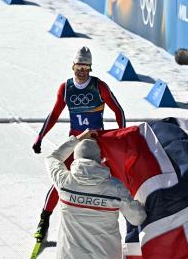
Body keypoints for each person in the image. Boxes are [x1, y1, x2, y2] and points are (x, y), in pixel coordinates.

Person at [45, 130, 146, 259]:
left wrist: (77, 139)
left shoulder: (64, 182)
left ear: (76, 158)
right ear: (100, 159)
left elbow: (53, 157)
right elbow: (137, 217)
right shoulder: (115, 188)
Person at [32, 47, 126, 241]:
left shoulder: (100, 86)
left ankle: (128, 223)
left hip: (98, 143)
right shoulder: (66, 88)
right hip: (76, 143)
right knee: (61, 181)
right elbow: (54, 114)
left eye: (86, 67)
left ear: (90, 68)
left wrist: (122, 134)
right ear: (72, 66)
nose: (82, 71)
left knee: (115, 180)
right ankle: (44, 220)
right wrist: (40, 136)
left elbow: (119, 111)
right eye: (79, 67)